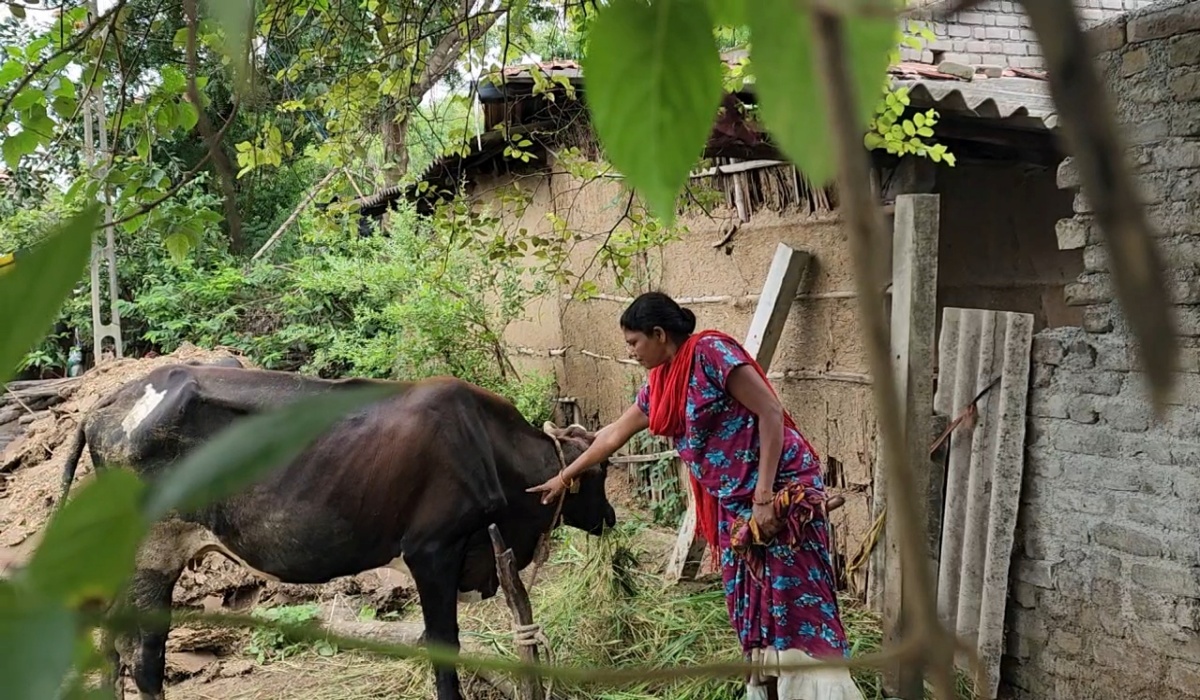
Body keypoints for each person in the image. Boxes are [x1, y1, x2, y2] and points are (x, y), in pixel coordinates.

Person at [528, 291, 864, 700]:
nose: (631, 352)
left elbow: (770, 413)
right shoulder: (661, 384)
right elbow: (615, 433)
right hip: (733, 506)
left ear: (658, 334)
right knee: (753, 607)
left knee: (796, 603)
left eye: (634, 343)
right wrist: (564, 476)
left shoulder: (711, 353)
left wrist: (762, 499)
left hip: (779, 493)